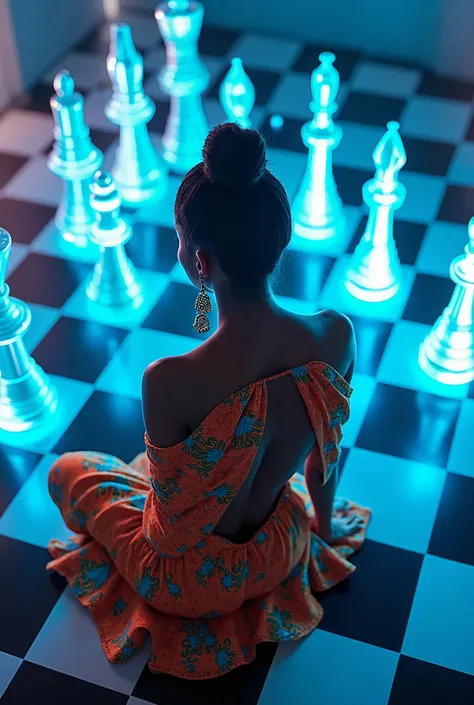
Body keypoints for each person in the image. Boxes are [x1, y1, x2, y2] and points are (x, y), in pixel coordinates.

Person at [47, 123, 371, 680]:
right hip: (279, 548)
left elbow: (169, 533)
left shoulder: (168, 380)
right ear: (281, 236)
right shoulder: (336, 335)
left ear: (199, 261)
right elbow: (325, 460)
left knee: (70, 470)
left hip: (186, 584)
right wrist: (320, 527)